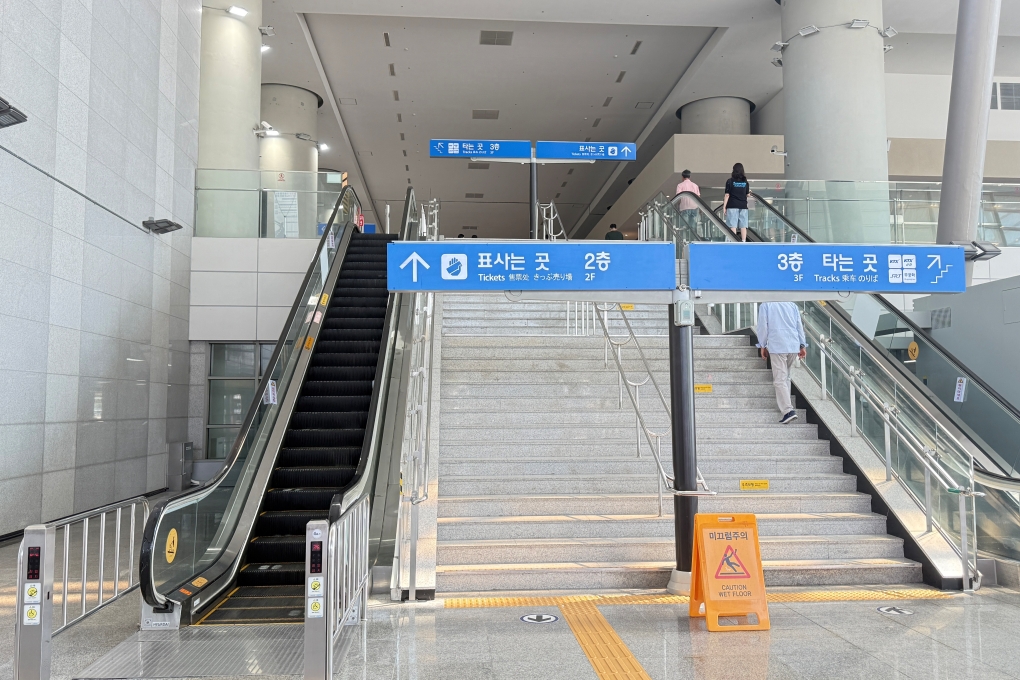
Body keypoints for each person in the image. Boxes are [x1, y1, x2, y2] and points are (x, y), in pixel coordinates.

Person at [756, 301, 807, 424]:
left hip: (778, 345)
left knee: (779, 379)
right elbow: (798, 325)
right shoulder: (792, 305)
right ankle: (787, 406)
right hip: (793, 344)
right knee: (786, 377)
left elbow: (763, 326)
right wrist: (802, 345)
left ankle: (788, 411)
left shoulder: (766, 305)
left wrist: (762, 345)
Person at [722, 163, 750, 242]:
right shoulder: (745, 182)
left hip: (732, 205)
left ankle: (733, 241)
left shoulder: (730, 181)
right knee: (743, 225)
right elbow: (747, 194)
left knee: (732, 225)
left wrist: (724, 207)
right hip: (743, 205)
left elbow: (727, 195)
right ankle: (744, 241)